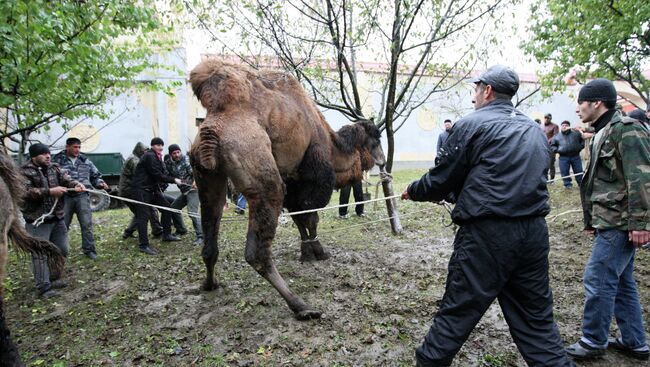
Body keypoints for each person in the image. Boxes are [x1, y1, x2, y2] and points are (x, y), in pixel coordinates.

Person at [401, 65, 572, 367]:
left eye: (475, 90)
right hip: (533, 234)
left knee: (456, 314)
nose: (472, 98)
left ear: (487, 91)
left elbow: (442, 179)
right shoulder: (534, 130)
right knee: (538, 325)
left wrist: (414, 190)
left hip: (487, 237)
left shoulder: (470, 125)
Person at [565, 78, 650, 361]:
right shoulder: (604, 130)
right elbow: (601, 183)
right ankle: (634, 341)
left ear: (597, 103)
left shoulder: (627, 129)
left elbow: (642, 178)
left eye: (581, 102)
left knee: (598, 278)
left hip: (622, 223)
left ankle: (592, 341)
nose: (577, 108)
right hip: (610, 220)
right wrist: (593, 221)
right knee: (622, 281)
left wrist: (641, 224)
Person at [21, 143, 85, 298]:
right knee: (40, 254)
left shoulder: (54, 167)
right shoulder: (24, 172)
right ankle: (43, 287)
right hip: (37, 220)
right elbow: (25, 192)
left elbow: (66, 178)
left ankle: (53, 278)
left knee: (61, 249)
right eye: (43, 154)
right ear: (34, 156)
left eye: (48, 153)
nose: (48, 156)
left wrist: (75, 184)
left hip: (57, 218)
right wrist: (49, 192)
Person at [51, 137, 107, 260]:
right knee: (63, 225)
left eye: (79, 147)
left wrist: (100, 183)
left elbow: (95, 176)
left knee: (86, 224)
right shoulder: (57, 160)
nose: (77, 150)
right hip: (65, 197)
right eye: (75, 147)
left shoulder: (84, 160)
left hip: (82, 196)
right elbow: (52, 178)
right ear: (67, 147)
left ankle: (89, 250)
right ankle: (59, 252)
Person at [131, 137, 182, 255]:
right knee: (143, 217)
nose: (161, 147)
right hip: (141, 190)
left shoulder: (157, 157)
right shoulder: (149, 156)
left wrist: (174, 177)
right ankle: (143, 245)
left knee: (167, 208)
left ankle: (167, 234)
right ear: (153, 146)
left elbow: (162, 173)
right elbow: (156, 174)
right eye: (158, 145)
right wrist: (174, 180)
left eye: (161, 145)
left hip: (152, 190)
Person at [119, 142, 163, 239]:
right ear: (140, 151)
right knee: (149, 210)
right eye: (144, 151)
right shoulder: (134, 160)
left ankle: (128, 232)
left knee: (140, 212)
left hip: (128, 191)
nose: (146, 153)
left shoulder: (135, 158)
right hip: (129, 191)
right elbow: (142, 175)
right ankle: (158, 231)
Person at [164, 144, 203, 245]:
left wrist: (195, 181)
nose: (177, 155)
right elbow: (165, 175)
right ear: (170, 154)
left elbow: (197, 172)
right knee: (174, 208)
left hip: (193, 190)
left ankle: (201, 236)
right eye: (174, 153)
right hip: (184, 191)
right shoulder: (168, 163)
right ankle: (181, 229)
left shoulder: (186, 160)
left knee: (192, 212)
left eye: (178, 152)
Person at [550, 121, 584, 188]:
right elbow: (552, 146)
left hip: (575, 156)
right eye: (563, 125)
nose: (564, 126)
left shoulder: (576, 134)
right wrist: (557, 150)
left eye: (566, 125)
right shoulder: (557, 136)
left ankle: (581, 184)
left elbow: (582, 140)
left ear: (569, 126)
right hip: (563, 157)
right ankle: (567, 184)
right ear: (561, 127)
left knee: (578, 171)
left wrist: (580, 147)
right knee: (564, 172)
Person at [543, 113, 559, 181]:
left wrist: (548, 141)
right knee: (543, 163)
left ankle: (552, 179)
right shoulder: (541, 126)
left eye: (548, 118)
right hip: (542, 147)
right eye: (545, 118)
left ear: (550, 118)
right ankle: (545, 178)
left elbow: (556, 136)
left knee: (551, 164)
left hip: (551, 147)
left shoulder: (555, 126)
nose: (546, 119)